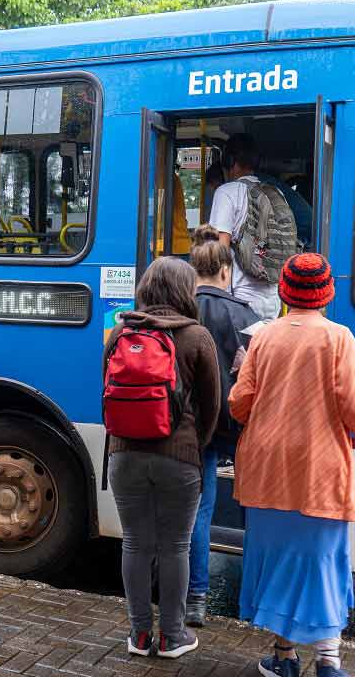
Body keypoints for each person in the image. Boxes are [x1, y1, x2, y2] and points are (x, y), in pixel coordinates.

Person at [228, 253, 355, 677]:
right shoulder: (339, 339)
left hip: (265, 470)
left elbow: (239, 405)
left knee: (277, 561)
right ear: (326, 294)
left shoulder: (264, 338)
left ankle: (284, 657)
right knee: (322, 561)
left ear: (284, 291)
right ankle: (328, 661)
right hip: (319, 470)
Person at [104, 256, 220, 659]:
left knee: (135, 543)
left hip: (123, 454)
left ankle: (138, 636)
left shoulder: (119, 332)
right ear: (184, 291)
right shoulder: (196, 337)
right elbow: (212, 406)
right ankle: (172, 636)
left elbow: (106, 392)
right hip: (179, 458)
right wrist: (192, 446)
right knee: (175, 546)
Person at [185, 226, 259, 628]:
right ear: (227, 272)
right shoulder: (244, 315)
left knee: (189, 512)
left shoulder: (176, 309)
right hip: (227, 428)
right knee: (224, 510)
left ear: (192, 269)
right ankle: (248, 601)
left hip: (181, 428)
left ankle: (192, 596)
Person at [209, 134, 300, 322]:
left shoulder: (226, 192)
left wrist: (214, 295)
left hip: (241, 299)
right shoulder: (276, 192)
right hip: (273, 298)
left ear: (230, 161)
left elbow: (220, 248)